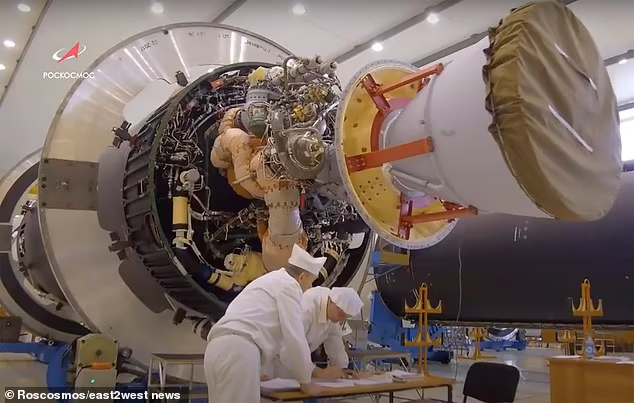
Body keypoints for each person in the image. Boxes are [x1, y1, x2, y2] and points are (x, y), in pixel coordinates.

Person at [203, 244, 326, 403]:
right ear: (302, 277)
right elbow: (295, 336)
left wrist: (259, 368)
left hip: (217, 349)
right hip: (239, 353)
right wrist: (305, 381)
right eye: (311, 282)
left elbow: (260, 324)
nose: (310, 288)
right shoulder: (289, 286)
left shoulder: (270, 280)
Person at [265, 286, 364, 379]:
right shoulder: (307, 307)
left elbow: (335, 341)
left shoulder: (332, 311)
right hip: (272, 361)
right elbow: (289, 346)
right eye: (341, 314)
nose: (342, 320)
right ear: (331, 301)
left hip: (293, 366)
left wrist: (342, 368)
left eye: (346, 317)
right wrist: (316, 372)